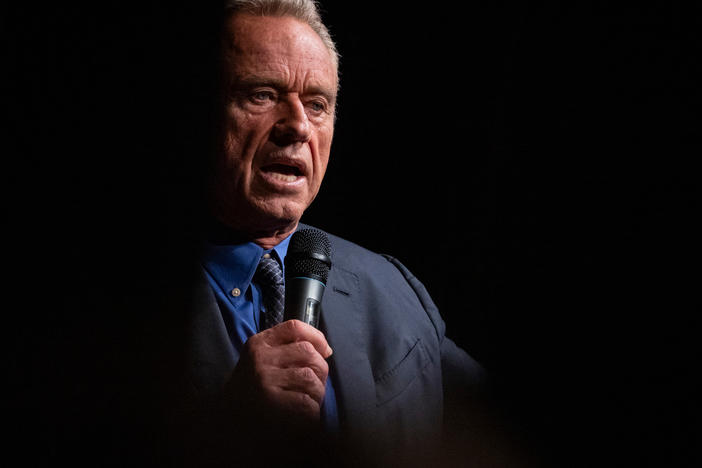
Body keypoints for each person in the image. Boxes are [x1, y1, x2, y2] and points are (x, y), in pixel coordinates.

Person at [168, 1, 490, 466]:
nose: (297, 125)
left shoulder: (392, 288)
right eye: (261, 94)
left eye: (317, 104)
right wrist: (227, 427)